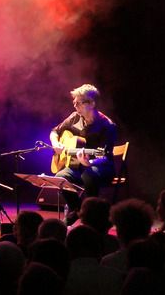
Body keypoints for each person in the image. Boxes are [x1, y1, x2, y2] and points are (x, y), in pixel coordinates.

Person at [50, 84, 117, 226]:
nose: (75, 106)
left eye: (79, 103)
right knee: (60, 177)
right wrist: (56, 143)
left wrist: (90, 163)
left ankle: (91, 216)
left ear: (92, 103)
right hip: (79, 165)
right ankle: (77, 210)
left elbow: (105, 156)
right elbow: (55, 131)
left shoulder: (107, 126)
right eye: (74, 103)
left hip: (102, 167)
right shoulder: (75, 117)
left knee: (89, 174)